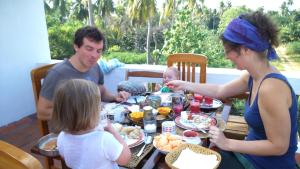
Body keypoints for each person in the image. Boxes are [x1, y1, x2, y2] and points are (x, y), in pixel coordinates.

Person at [167, 11, 298, 169]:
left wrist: (227, 143)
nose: (226, 56)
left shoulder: (270, 88)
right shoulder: (253, 76)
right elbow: (220, 90)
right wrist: (184, 84)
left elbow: (279, 146)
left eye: (228, 50)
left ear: (245, 49)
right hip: (249, 157)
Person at [37, 26, 130, 120]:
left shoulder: (95, 67)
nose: (94, 55)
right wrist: (81, 112)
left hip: (93, 124)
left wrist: (115, 97)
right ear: (76, 46)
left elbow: (100, 91)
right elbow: (42, 112)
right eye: (89, 49)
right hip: (68, 131)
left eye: (98, 51)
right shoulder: (57, 73)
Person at [51, 79, 131, 169]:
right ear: (89, 113)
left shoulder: (61, 137)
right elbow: (125, 159)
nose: (101, 108)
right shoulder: (104, 139)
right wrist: (111, 130)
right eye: (98, 105)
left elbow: (66, 158)